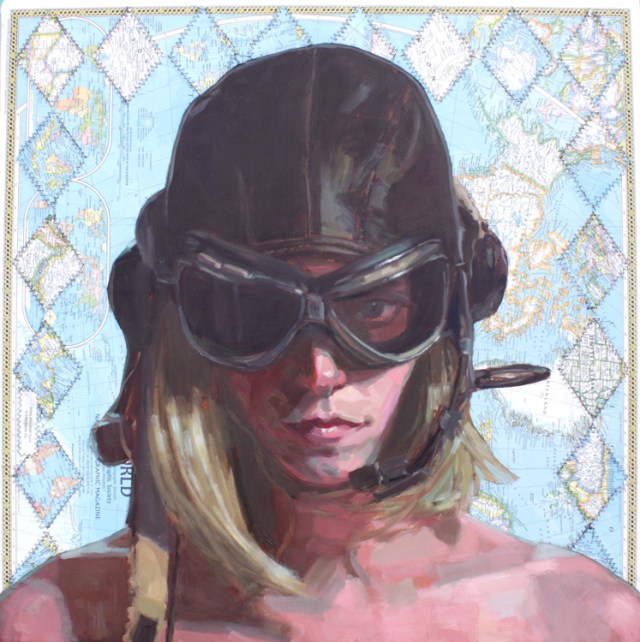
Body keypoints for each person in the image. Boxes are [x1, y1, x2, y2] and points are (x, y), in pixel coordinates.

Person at [1, 44, 639, 642]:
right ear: (178, 322)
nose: (318, 371)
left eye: (374, 310)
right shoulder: (61, 620)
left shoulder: (580, 621)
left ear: (451, 309)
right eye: (255, 312)